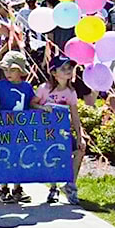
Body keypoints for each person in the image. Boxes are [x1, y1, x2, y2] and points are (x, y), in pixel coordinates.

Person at [35, 56, 85, 205]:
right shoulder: (44, 89)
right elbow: (32, 105)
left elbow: (75, 117)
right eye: (63, 68)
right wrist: (43, 107)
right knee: (53, 156)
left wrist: (80, 136)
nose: (68, 70)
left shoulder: (71, 92)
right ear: (54, 72)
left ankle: (70, 184)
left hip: (63, 132)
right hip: (46, 132)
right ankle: (53, 187)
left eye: (69, 67)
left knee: (79, 150)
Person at [0, 51, 37, 204]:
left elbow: (31, 103)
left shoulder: (26, 87)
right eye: (5, 69)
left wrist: (41, 108)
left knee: (19, 157)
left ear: (20, 71)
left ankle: (17, 188)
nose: (8, 73)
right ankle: (3, 188)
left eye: (12, 70)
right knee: (5, 157)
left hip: (21, 129)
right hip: (3, 128)